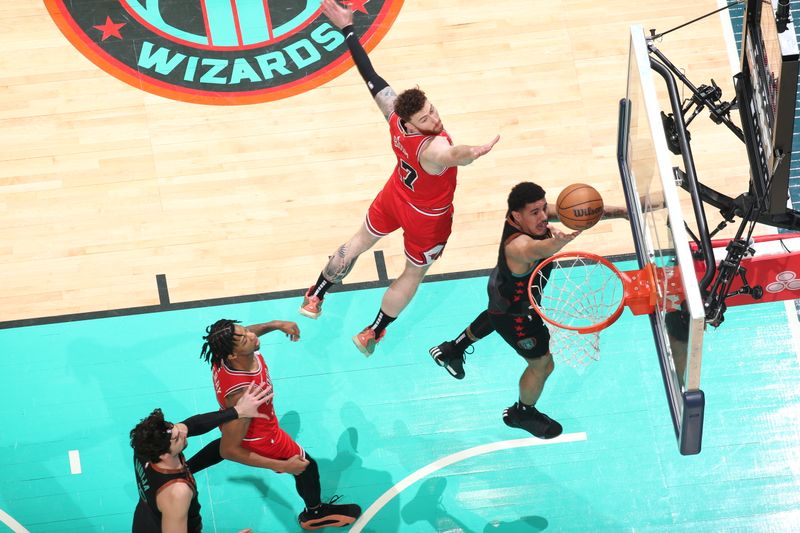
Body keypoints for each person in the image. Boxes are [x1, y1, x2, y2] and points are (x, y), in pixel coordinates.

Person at [299, 0, 500, 356]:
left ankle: (315, 295)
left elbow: (370, 76)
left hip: (395, 194)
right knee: (412, 274)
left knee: (358, 241)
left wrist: (348, 28)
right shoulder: (434, 149)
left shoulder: (394, 114)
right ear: (411, 123)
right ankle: (372, 332)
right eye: (426, 118)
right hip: (428, 218)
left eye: (432, 110)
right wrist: (474, 152)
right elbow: (455, 155)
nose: (434, 120)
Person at [428, 182, 627, 438]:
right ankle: (521, 412)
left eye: (544, 209)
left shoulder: (526, 218)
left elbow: (575, 210)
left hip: (502, 289)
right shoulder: (520, 245)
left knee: (494, 312)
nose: (543, 216)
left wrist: (621, 211)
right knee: (543, 365)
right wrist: (560, 241)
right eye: (535, 212)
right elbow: (541, 248)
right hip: (518, 316)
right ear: (517, 216)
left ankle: (453, 349)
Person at [200, 318, 361, 530]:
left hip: (244, 425)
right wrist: (283, 466)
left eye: (246, 331)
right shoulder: (244, 394)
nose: (252, 335)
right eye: (244, 338)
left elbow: (245, 334)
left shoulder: (225, 355)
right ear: (232, 354)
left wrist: (275, 324)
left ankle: (185, 468)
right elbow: (229, 450)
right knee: (306, 467)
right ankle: (315, 513)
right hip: (263, 437)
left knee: (229, 439)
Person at [130, 382, 271, 532]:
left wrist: (237, 411)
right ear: (164, 455)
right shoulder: (178, 493)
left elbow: (192, 425)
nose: (183, 432)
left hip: (144, 519)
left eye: (174, 427)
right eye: (177, 438)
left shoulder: (145, 446)